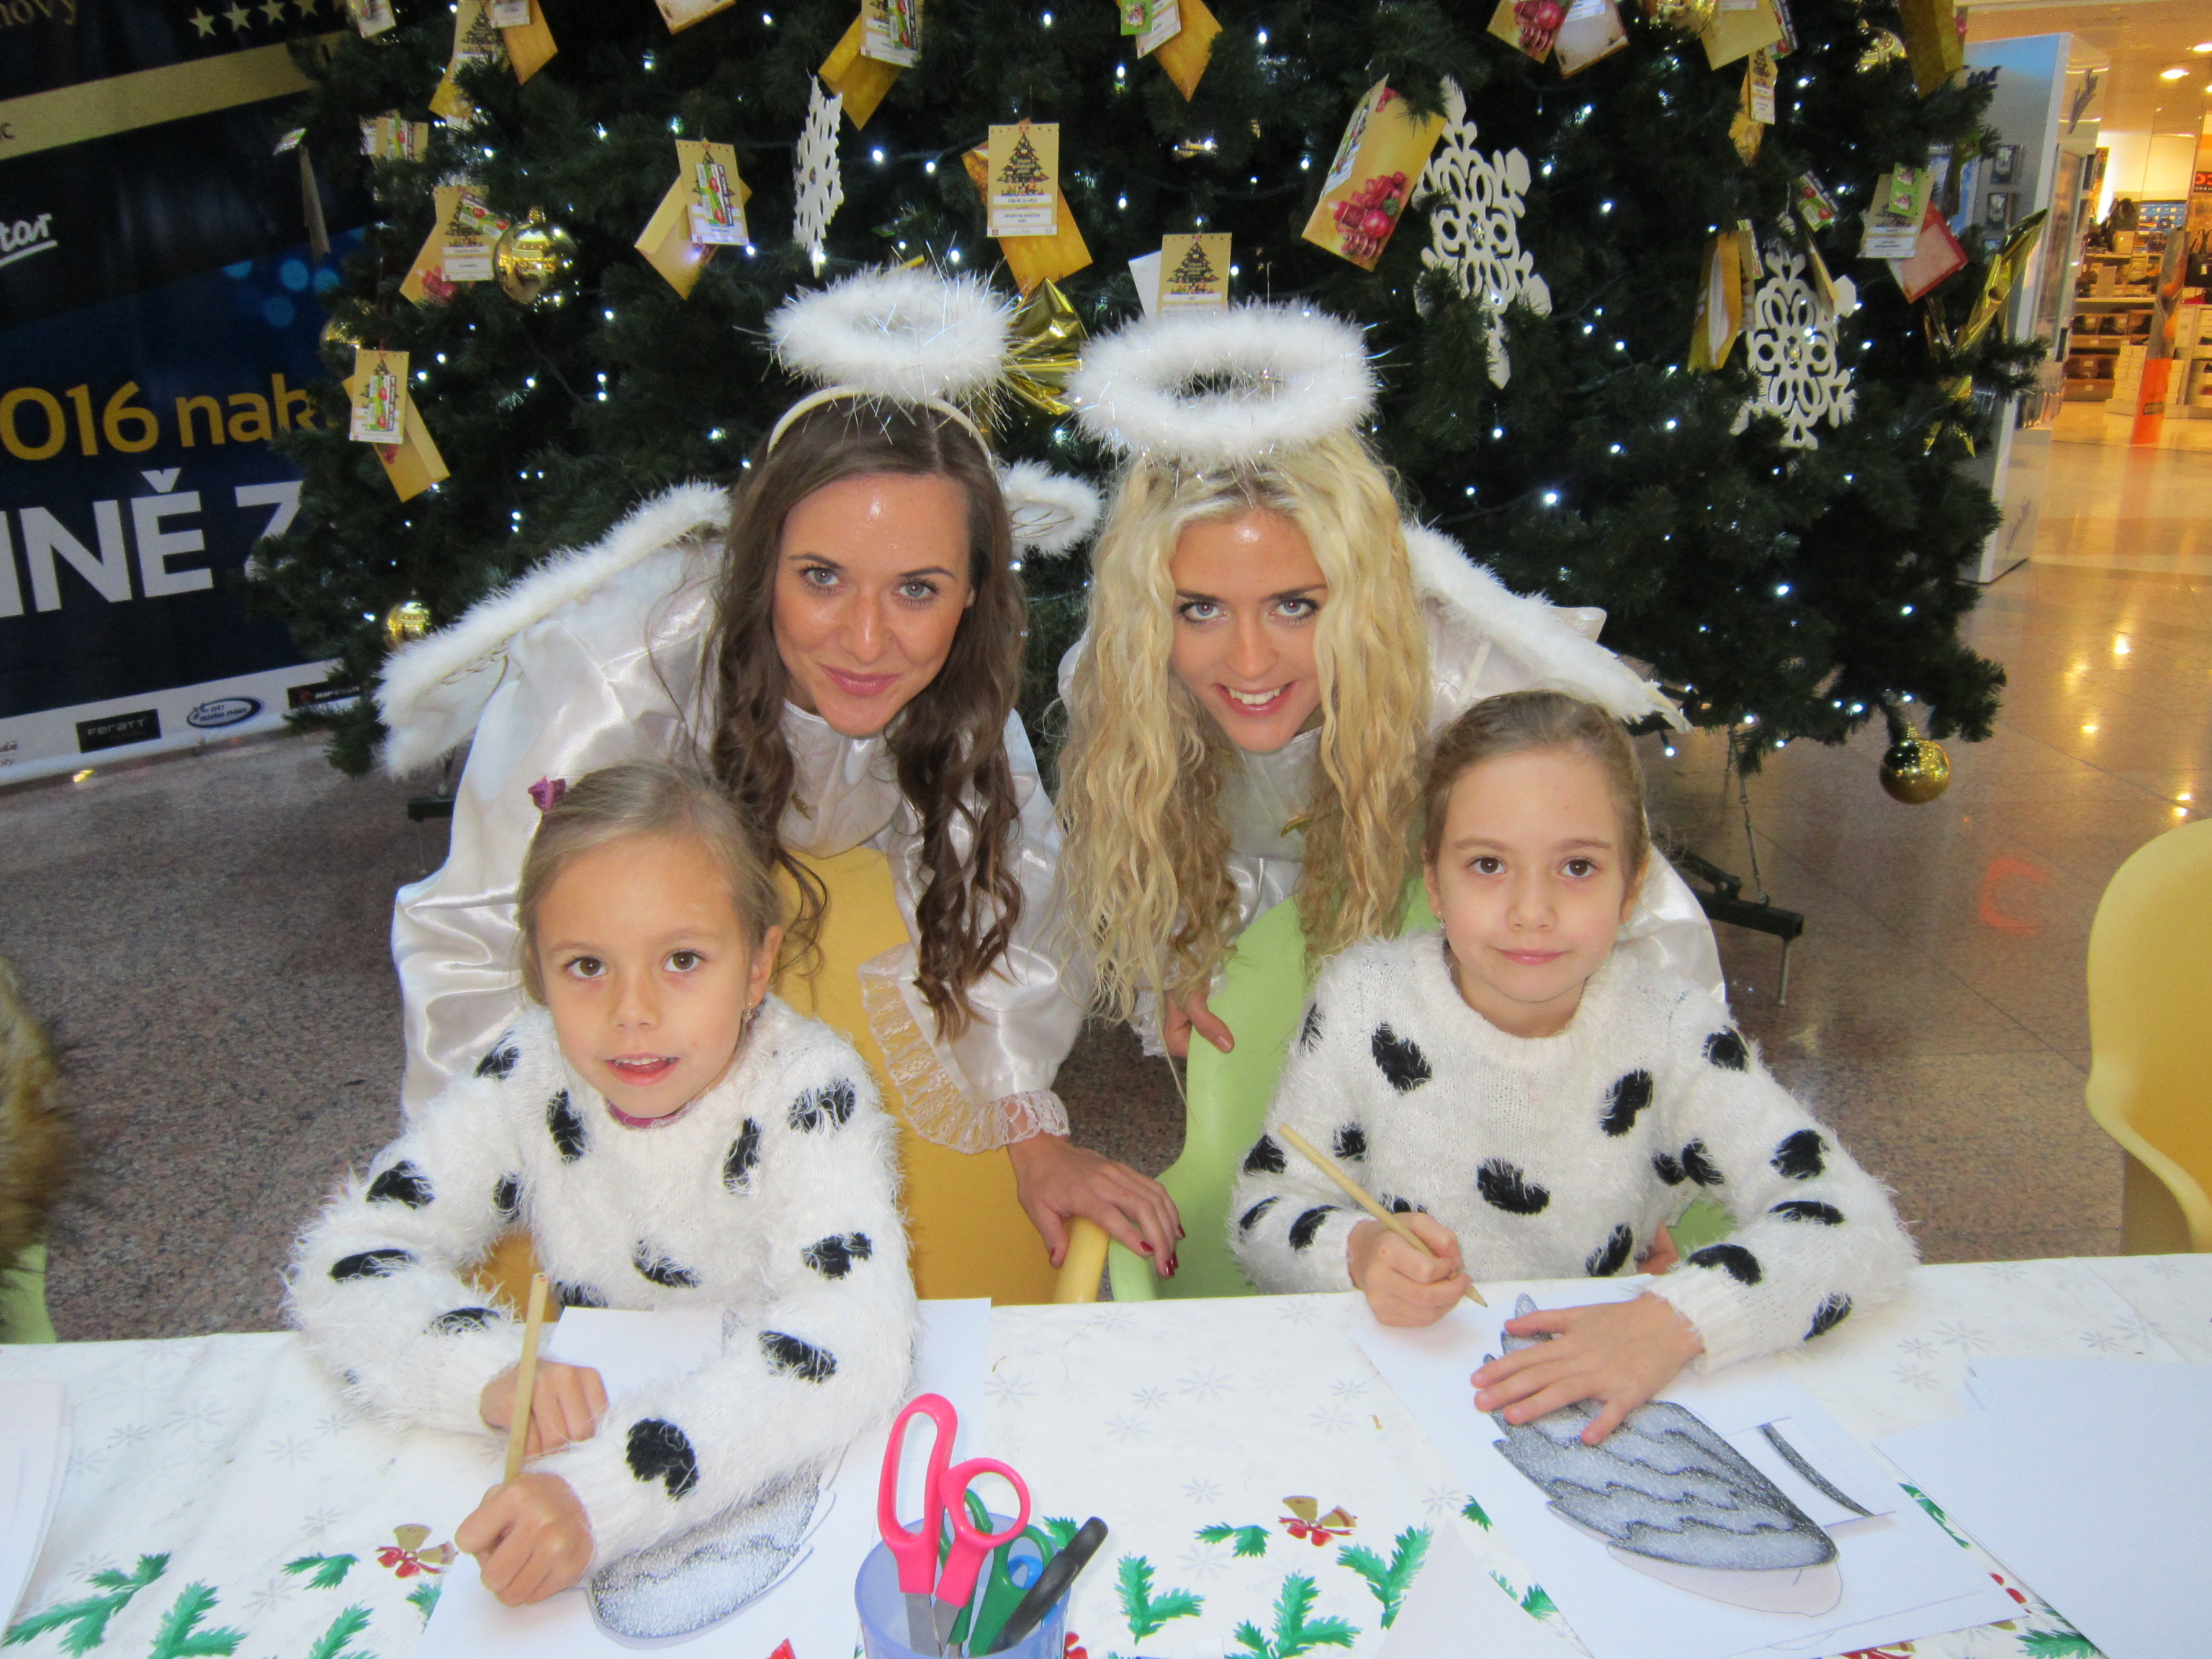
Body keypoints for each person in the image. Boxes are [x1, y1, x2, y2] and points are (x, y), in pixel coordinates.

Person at [377, 269, 1177, 1295]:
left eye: (918, 589)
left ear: (974, 593)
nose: (867, 640)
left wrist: (1033, 1134)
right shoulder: (614, 680)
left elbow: (1004, 878)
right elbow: (480, 930)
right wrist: (510, 1169)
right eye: (822, 578)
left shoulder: (960, 685)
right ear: (762, 567)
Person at [288, 763, 914, 1624]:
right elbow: (350, 1257)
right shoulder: (528, 1071)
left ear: (758, 965)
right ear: (537, 972)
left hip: (760, 1464)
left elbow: (857, 1335)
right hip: (574, 1460)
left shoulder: (810, 1089)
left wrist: (605, 1497)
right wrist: (488, 1371)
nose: (632, 1011)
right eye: (586, 965)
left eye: (683, 960)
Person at [1228, 693, 1912, 1442]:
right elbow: (1263, 1211)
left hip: (1594, 1412)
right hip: (1394, 1398)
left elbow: (1858, 1226)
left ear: (1632, 886)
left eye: (1578, 867)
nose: (1533, 910)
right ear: (1435, 879)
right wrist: (1358, 1252)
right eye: (1488, 864)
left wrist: (1674, 1321)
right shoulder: (1363, 1002)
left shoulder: (1671, 1030)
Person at [1056, 303, 1721, 1062]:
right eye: (1200, 609)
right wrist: (1189, 951)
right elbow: (1180, 842)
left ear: (1360, 598)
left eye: (1296, 606)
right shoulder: (1125, 683)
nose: (1250, 663)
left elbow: (1639, 924)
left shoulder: (1463, 695)